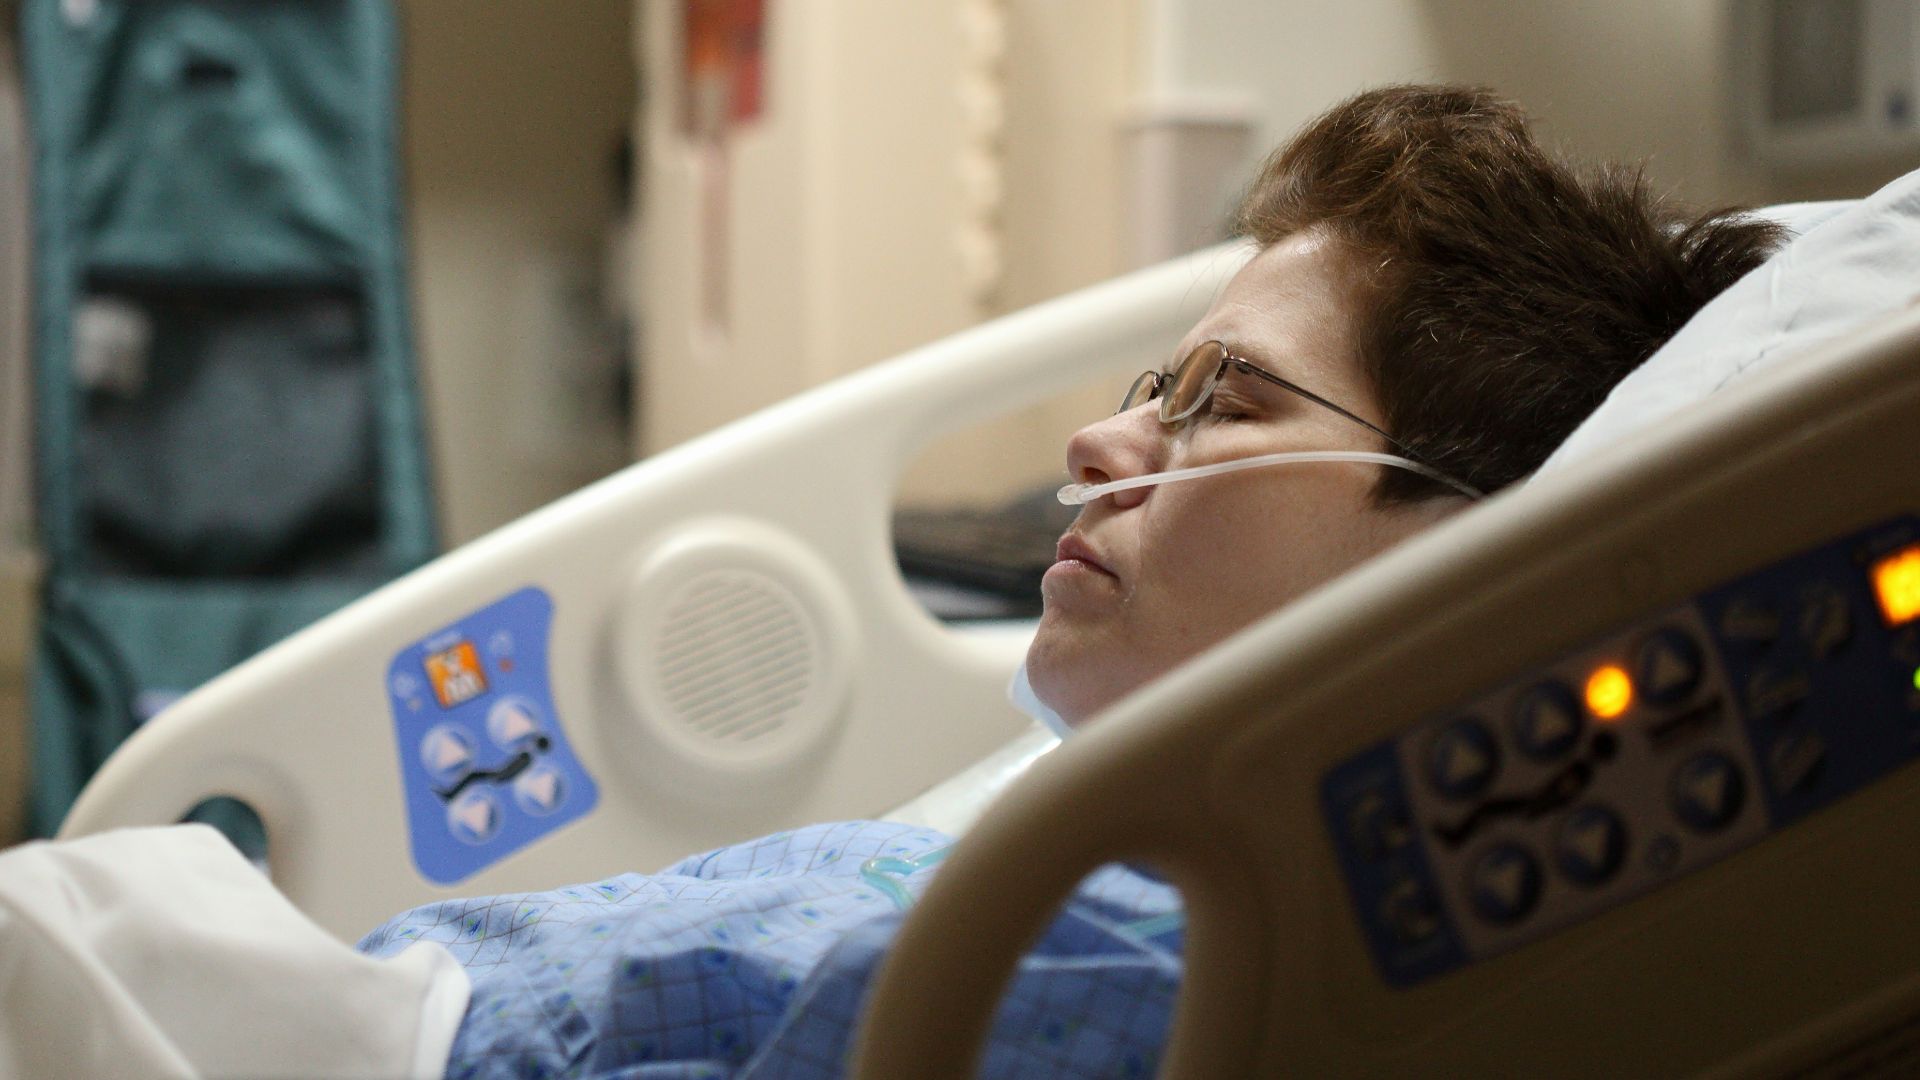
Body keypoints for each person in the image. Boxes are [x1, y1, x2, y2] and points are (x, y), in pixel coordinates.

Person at [4, 85, 1788, 1078]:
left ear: (1460, 544)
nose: (1104, 443)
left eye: (1223, 401)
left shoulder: (1148, 963)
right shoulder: (1078, 869)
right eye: (1145, 385)